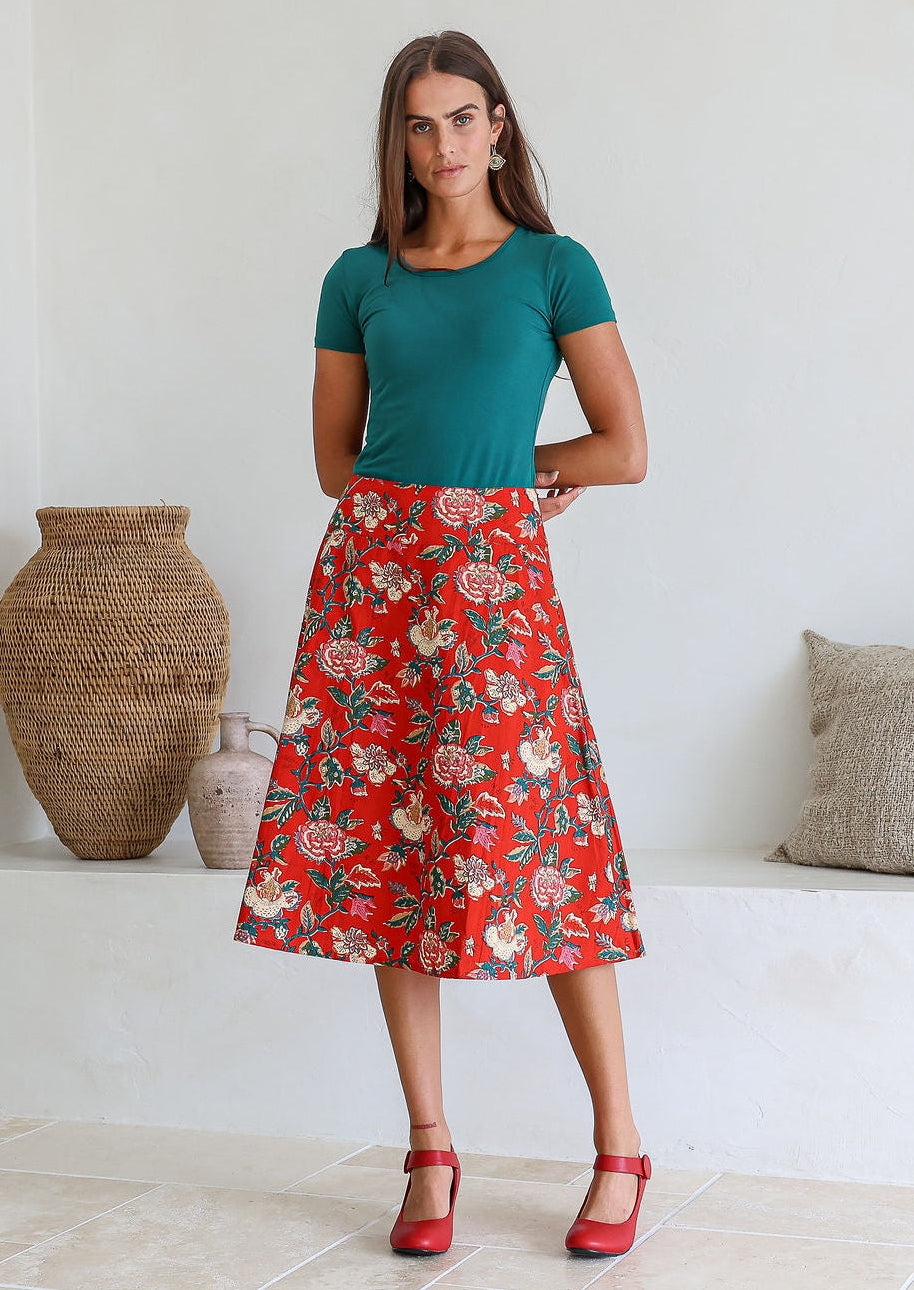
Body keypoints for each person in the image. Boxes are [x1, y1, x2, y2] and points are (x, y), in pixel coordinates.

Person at [233, 29, 651, 1259]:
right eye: (419, 125)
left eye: (462, 118)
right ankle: (427, 1150)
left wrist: (509, 475)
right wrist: (442, 489)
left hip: (494, 586)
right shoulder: (356, 277)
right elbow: (336, 461)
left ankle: (619, 1147)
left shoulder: (554, 267)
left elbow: (622, 448)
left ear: (498, 126)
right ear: (398, 141)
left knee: (544, 856)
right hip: (371, 586)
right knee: (385, 863)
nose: (443, 144)